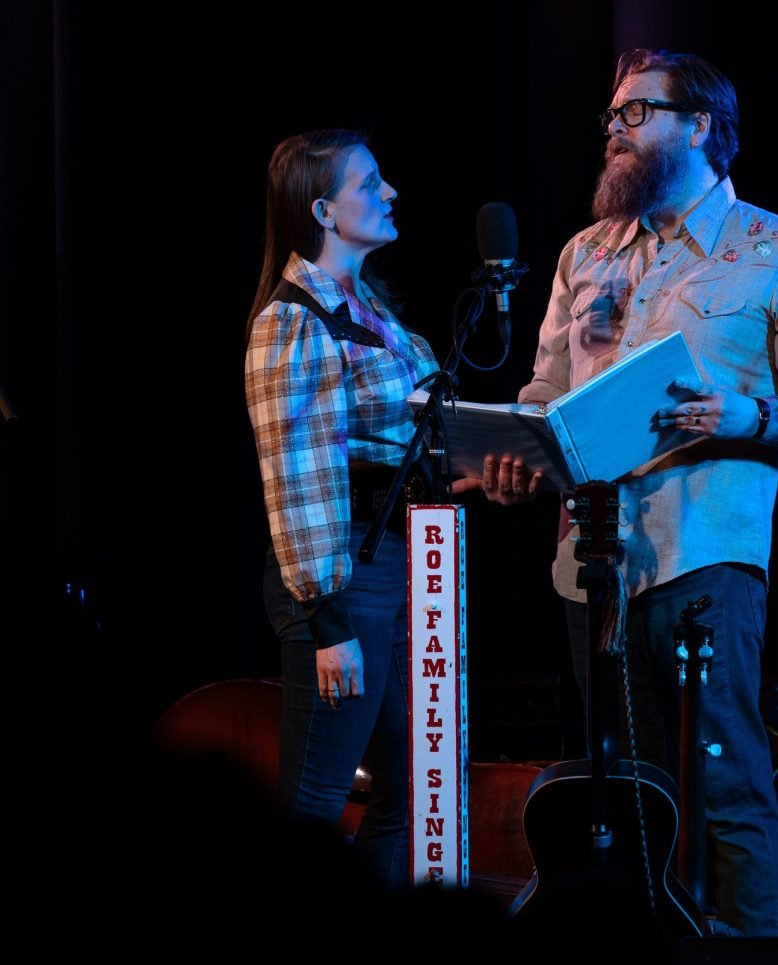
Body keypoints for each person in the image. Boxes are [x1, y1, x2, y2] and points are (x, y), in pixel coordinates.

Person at [479, 50, 778, 937]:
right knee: (626, 796)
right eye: (612, 119)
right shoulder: (587, 253)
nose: (615, 133)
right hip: (593, 568)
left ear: (700, 126)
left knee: (726, 780)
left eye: (635, 114)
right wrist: (514, 454)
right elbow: (543, 395)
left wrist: (749, 411)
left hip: (705, 556)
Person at [244, 129, 468, 889]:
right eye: (370, 184)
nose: (390, 193)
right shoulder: (294, 320)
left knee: (409, 791)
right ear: (323, 210)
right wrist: (328, 624)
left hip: (400, 563)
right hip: (342, 579)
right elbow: (297, 474)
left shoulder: (370, 310)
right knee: (313, 805)